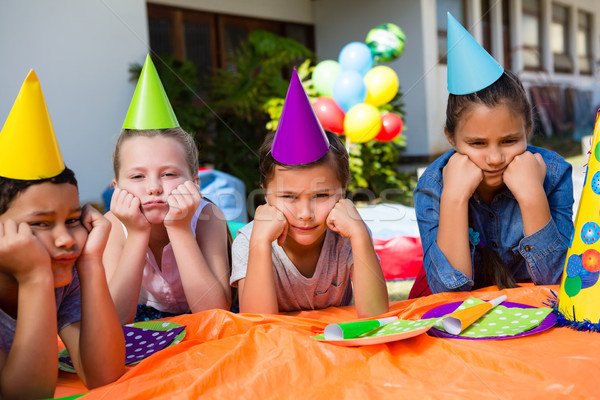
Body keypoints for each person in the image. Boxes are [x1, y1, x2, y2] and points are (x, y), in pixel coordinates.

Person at [409, 14, 573, 298]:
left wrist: (532, 195)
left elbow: (560, 280)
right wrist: (454, 197)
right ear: (451, 137)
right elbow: (448, 291)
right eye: (477, 143)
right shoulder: (432, 186)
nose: (495, 158)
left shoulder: (555, 172)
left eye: (509, 140)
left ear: (528, 130)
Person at [0, 70, 125, 399]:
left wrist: (92, 263)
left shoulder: (63, 277)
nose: (66, 238)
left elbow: (104, 375)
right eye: (40, 224)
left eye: (72, 219)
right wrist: (34, 279)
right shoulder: (41, 274)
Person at [231, 71, 388, 317]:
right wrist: (260, 244)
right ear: (266, 194)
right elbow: (257, 326)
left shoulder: (349, 233)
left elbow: (376, 315)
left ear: (343, 192)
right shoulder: (249, 240)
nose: (305, 214)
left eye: (321, 195)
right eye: (289, 197)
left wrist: (359, 235)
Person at [103, 56, 231, 323]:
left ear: (195, 183)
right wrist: (137, 234)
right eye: (137, 176)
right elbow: (113, 320)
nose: (153, 188)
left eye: (169, 174)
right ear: (116, 188)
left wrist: (180, 228)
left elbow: (215, 313)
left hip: (202, 322)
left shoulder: (209, 219)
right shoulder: (113, 226)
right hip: (143, 321)